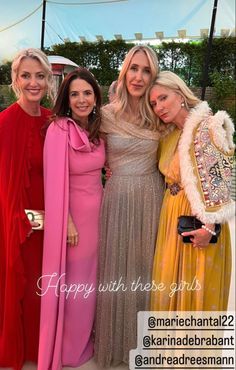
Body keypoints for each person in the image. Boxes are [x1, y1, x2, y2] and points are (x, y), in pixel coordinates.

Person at [94, 45, 164, 367]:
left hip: (152, 197)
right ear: (124, 71)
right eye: (134, 68)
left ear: (153, 76)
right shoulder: (104, 114)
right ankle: (115, 341)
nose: (138, 76)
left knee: (146, 268)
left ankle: (143, 341)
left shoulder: (160, 116)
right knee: (115, 267)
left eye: (146, 70)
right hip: (117, 197)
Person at [149, 71, 235, 311]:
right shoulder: (168, 135)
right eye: (154, 103)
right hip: (171, 219)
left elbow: (223, 181)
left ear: (180, 94)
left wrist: (209, 227)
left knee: (197, 297)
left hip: (200, 222)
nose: (159, 107)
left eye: (163, 98)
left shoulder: (209, 127)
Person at [37, 67, 105, 369]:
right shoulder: (59, 129)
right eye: (75, 94)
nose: (81, 99)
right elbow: (53, 180)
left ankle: (83, 339)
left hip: (99, 216)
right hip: (73, 220)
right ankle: (68, 349)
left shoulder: (97, 128)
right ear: (66, 98)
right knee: (74, 286)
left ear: (95, 96)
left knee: (89, 283)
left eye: (87, 93)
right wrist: (65, 222)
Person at [0, 48, 53, 369]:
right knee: (22, 283)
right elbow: (3, 183)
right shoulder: (4, 123)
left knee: (43, 285)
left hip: (53, 218)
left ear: (48, 80)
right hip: (20, 221)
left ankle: (42, 346)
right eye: (26, 75)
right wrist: (25, 219)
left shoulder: (53, 121)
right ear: (15, 81)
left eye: (40, 76)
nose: (33, 82)